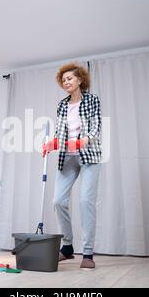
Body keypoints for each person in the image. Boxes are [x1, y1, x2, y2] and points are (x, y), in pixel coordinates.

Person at [42, 62, 102, 270]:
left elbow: (95, 127)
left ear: (80, 80)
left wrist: (85, 139)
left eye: (70, 78)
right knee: (58, 200)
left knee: (86, 201)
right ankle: (67, 248)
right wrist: (51, 144)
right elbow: (60, 133)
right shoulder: (62, 105)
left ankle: (87, 253)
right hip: (67, 157)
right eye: (64, 79)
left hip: (88, 156)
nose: (66, 81)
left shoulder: (92, 100)